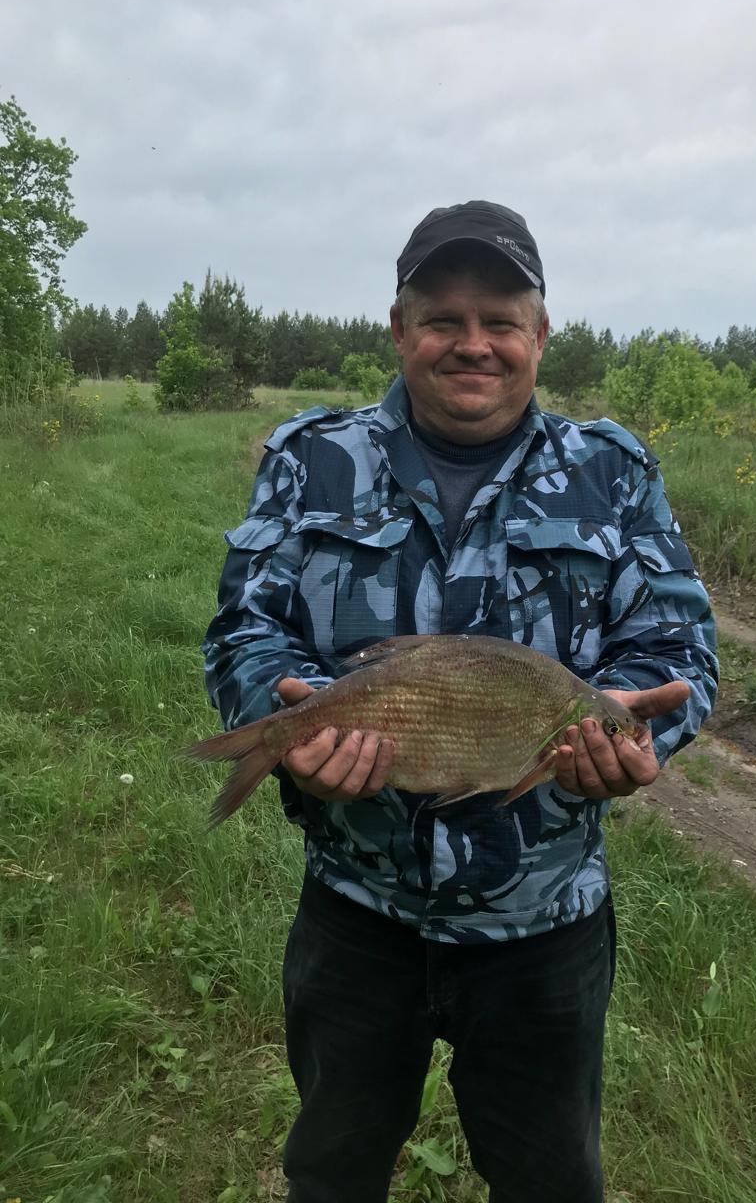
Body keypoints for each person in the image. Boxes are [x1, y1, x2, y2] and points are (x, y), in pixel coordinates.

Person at [202, 200, 718, 1203]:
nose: (472, 343)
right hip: (358, 914)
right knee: (332, 1169)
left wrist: (639, 723)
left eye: (501, 318)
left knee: (551, 1178)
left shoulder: (612, 473)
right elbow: (243, 628)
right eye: (443, 317)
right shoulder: (313, 459)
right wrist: (285, 706)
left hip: (544, 929)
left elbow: (678, 647)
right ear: (399, 328)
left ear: (540, 333)